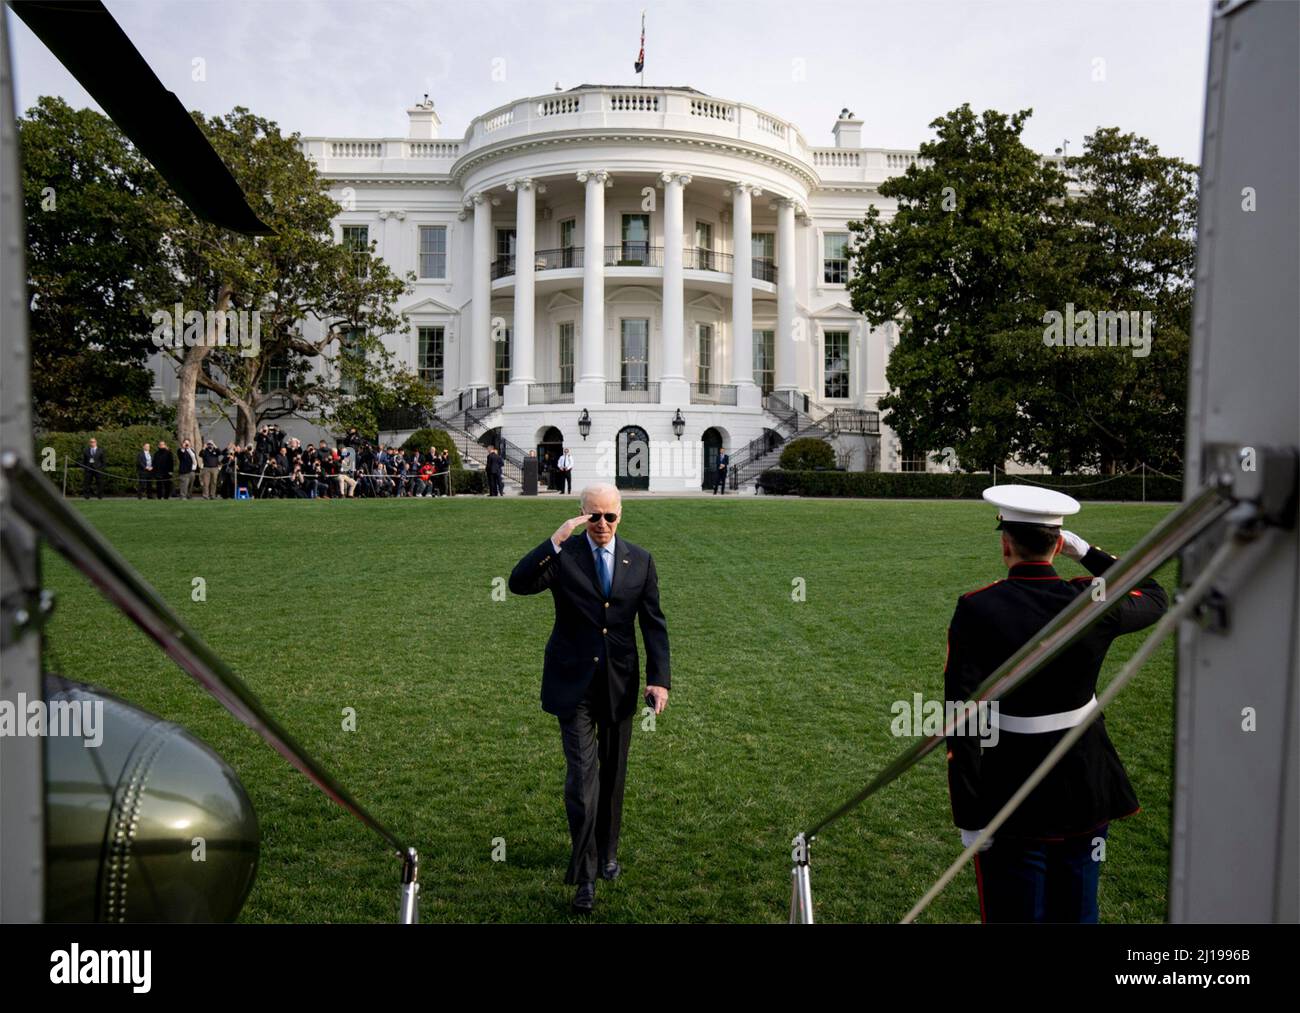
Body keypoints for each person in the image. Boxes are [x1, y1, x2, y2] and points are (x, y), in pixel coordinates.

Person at [943, 485, 1168, 923]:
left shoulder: (978, 608)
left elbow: (962, 715)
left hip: (1012, 782)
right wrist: (1085, 553)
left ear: (1006, 542)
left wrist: (970, 814)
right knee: (1079, 909)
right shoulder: (1091, 601)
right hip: (1085, 775)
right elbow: (1154, 593)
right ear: (1057, 542)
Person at [508, 484, 671, 915]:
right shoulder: (565, 557)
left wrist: (660, 679)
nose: (601, 525)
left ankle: (609, 851)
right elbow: (519, 584)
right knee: (582, 782)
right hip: (572, 683)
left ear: (621, 515)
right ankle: (585, 876)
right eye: (593, 516)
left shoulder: (641, 560)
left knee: (613, 775)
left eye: (609, 517)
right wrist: (556, 539)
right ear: (581, 514)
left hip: (619, 682)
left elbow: (653, 624)